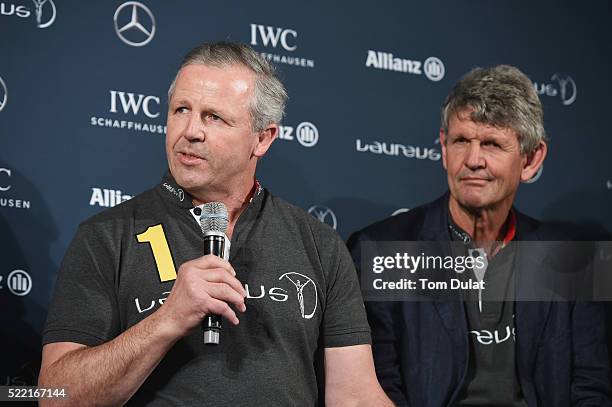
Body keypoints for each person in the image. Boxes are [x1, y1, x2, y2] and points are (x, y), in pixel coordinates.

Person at [39, 42, 392, 406]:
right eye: (181, 110)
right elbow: (53, 397)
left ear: (262, 138)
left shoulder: (319, 244)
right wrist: (167, 320)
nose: (190, 130)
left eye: (213, 117)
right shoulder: (106, 236)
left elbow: (354, 395)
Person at [348, 65, 612, 406]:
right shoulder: (383, 250)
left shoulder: (571, 257)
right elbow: (376, 388)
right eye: (461, 141)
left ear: (531, 159)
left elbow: (591, 388)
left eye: (491, 144)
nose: (473, 160)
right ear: (443, 147)